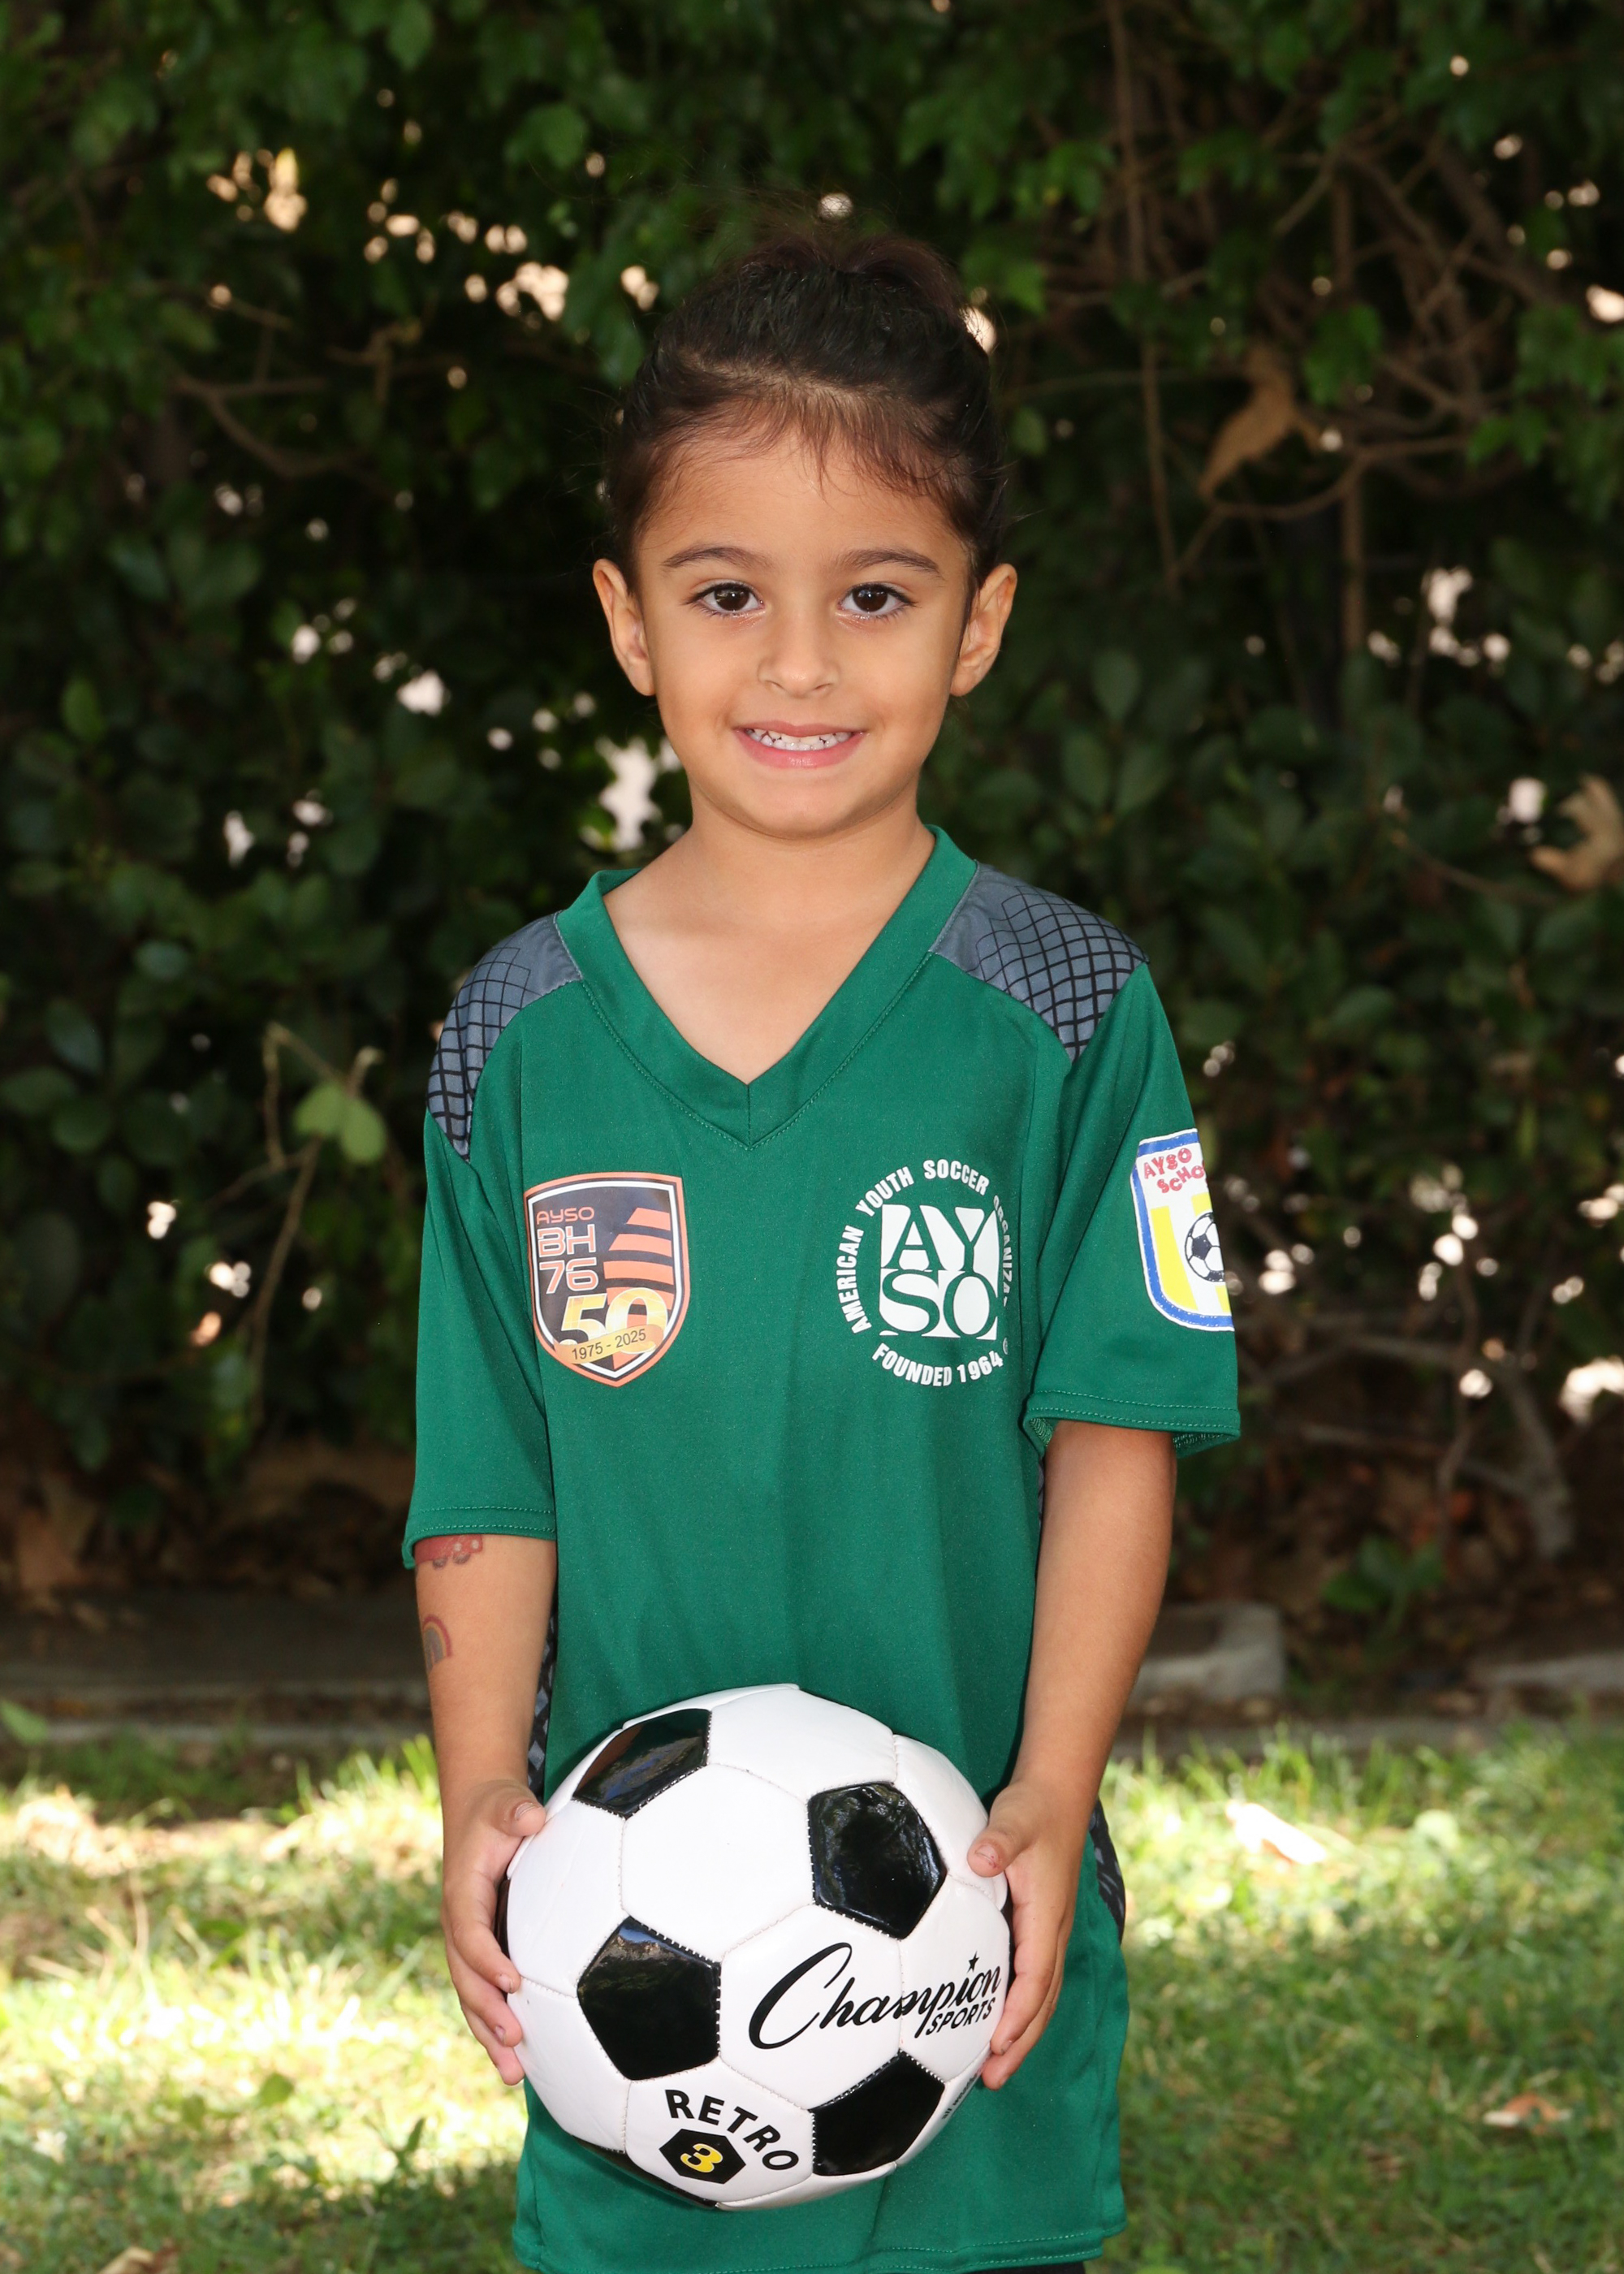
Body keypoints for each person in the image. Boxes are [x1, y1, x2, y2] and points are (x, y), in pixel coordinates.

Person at [405, 227, 1239, 2274]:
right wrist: (478, 1786)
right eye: (725, 595)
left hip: (967, 1933)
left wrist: (1050, 1793)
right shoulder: (517, 1035)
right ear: (626, 620)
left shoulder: (1065, 1009)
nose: (798, 664)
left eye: (873, 595)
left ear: (978, 624)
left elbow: (1119, 1431)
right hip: (632, 1954)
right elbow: (487, 1477)